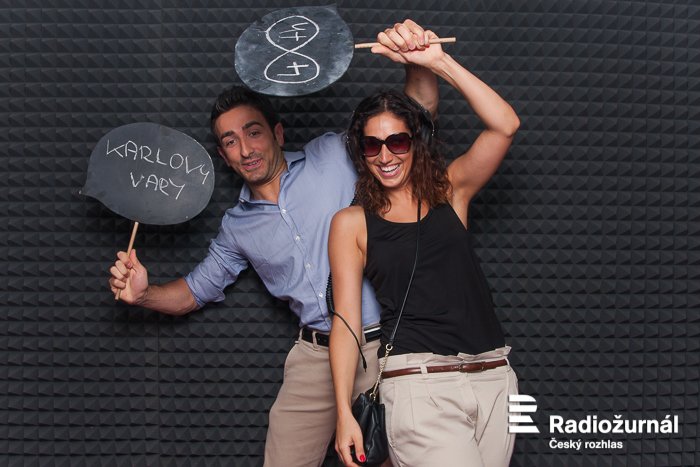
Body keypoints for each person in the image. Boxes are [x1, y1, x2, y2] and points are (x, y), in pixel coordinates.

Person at [108, 20, 439, 467]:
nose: (246, 149)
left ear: (278, 134)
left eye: (253, 132)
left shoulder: (333, 154)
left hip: (386, 345)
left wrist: (418, 63)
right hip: (315, 355)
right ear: (223, 155)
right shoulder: (236, 227)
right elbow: (193, 292)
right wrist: (144, 293)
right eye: (230, 141)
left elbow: (415, 118)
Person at [328, 33, 521, 467]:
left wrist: (439, 62)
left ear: (416, 142)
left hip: (494, 376)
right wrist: (344, 412)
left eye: (397, 142)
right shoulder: (351, 223)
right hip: (420, 385)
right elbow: (345, 322)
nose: (385, 156)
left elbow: (505, 125)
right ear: (361, 152)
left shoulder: (451, 192)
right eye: (372, 145)